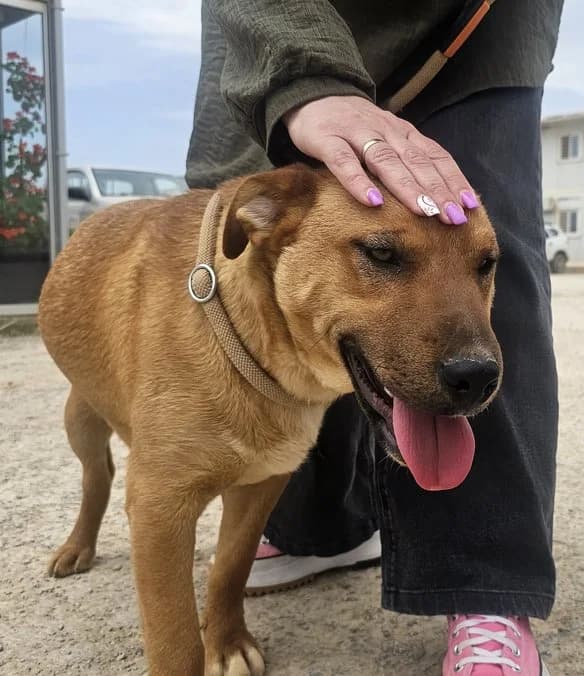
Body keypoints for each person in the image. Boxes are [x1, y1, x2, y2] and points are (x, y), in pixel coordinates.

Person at [186, 2, 563, 673]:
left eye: (484, 269)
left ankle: (484, 584)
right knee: (257, 271)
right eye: (384, 257)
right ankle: (316, 526)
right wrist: (302, 76)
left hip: (470, 28)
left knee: (464, 205)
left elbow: (472, 258)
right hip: (275, 21)